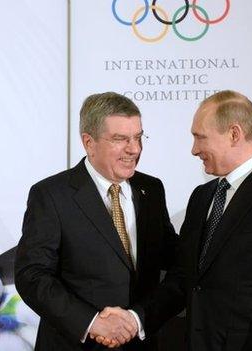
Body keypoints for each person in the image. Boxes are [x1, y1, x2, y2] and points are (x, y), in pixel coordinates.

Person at [99, 90, 252, 350]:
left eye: (200, 137)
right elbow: (184, 279)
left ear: (234, 134)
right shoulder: (202, 197)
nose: (194, 150)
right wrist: (135, 319)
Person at [15, 92, 177, 350]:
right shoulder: (52, 195)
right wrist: (92, 322)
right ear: (89, 142)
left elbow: (173, 262)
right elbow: (32, 275)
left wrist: (137, 319)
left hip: (139, 343)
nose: (134, 148)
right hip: (74, 345)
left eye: (137, 137)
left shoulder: (152, 190)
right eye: (120, 139)